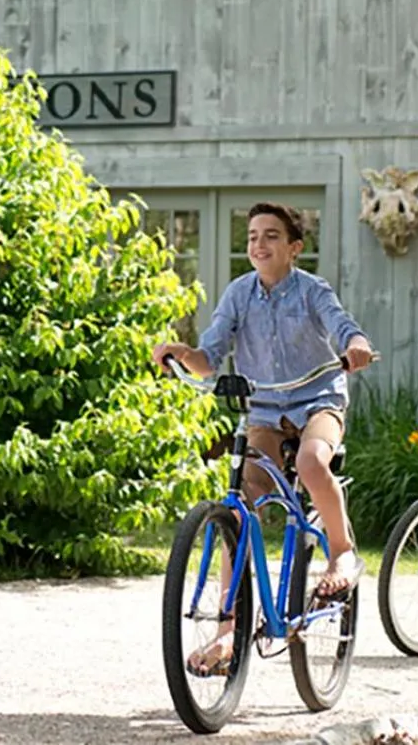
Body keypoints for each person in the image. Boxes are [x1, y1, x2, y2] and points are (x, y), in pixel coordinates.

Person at [153, 201, 377, 675]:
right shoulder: (239, 294)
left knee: (312, 462)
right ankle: (228, 630)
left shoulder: (312, 290)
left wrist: (355, 347)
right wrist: (182, 354)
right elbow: (209, 357)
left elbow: (344, 328)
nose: (259, 243)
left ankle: (342, 552)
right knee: (240, 507)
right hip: (266, 410)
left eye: (271, 235)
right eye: (253, 236)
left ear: (294, 248)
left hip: (318, 400)